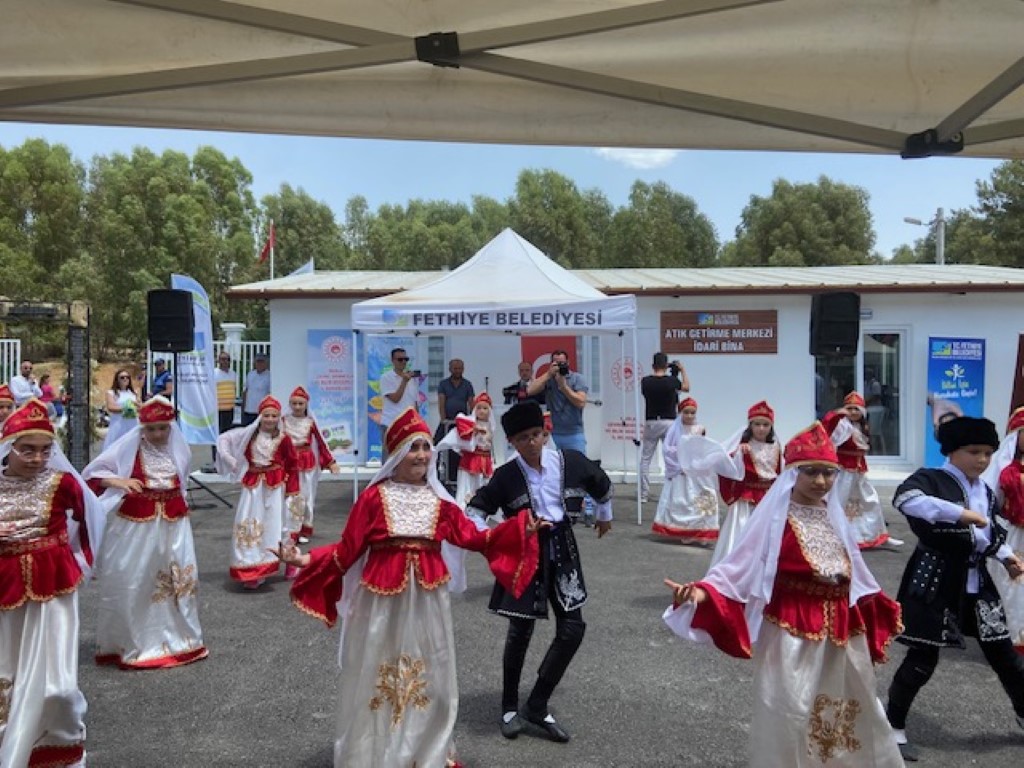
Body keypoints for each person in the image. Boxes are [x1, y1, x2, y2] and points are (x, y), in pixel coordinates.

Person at [276, 406, 541, 768]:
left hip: (428, 601)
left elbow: (474, 537)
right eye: (412, 448)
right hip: (381, 602)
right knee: (379, 670)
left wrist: (518, 530)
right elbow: (347, 550)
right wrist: (303, 560)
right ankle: (376, 752)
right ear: (397, 454)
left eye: (425, 447)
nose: (420, 455)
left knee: (428, 673)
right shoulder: (373, 499)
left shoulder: (440, 502)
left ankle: (423, 751)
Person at [663, 421, 905, 767]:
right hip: (791, 632)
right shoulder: (776, 518)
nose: (821, 482)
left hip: (841, 632)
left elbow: (857, 575)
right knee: (791, 711)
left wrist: (874, 610)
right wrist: (701, 593)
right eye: (811, 472)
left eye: (828, 473)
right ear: (792, 473)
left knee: (852, 706)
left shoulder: (832, 514)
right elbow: (739, 566)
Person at [466, 401, 614, 743]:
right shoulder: (505, 476)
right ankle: (507, 707)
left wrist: (604, 515)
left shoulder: (570, 461)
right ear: (512, 442)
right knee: (521, 631)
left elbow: (602, 484)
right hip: (525, 551)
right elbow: (475, 511)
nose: (531, 442)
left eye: (536, 434)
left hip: (562, 546)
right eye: (522, 438)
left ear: (546, 433)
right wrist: (503, 533)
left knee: (573, 628)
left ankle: (537, 702)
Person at [887, 416, 1024, 761]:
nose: (981, 459)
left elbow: (989, 532)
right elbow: (906, 500)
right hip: (935, 579)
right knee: (923, 657)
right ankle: (893, 727)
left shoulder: (986, 491)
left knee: (1004, 654)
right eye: (973, 451)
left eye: (988, 453)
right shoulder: (931, 478)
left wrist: (1007, 556)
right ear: (952, 451)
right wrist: (958, 513)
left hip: (977, 580)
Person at [0, 398, 104, 768]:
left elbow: (89, 519)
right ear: (7, 448)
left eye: (45, 450)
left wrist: (78, 562)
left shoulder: (63, 484)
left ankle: (57, 746)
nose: (37, 459)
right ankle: (11, 745)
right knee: (7, 674)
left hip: (55, 590)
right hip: (6, 592)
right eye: (27, 450)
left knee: (57, 686)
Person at [83, 396, 208, 670]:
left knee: (180, 581)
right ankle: (133, 642)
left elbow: (183, 484)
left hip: (174, 526)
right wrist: (119, 480)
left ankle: (182, 640)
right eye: (151, 429)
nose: (158, 434)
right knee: (135, 582)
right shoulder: (129, 448)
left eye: (163, 428)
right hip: (136, 528)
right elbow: (92, 474)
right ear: (142, 428)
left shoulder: (180, 450)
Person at [216, 395, 300, 588]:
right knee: (249, 524)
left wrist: (293, 491)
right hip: (253, 487)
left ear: (279, 417)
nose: (270, 419)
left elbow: (293, 464)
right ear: (260, 416)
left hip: (275, 487)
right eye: (266, 415)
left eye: (274, 416)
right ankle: (250, 568)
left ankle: (282, 561)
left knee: (274, 525)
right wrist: (231, 461)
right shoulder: (249, 434)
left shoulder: (284, 439)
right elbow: (223, 439)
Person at [822, 392, 898, 549]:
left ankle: (876, 536)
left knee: (870, 501)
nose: (853, 412)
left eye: (856, 409)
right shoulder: (842, 426)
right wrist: (835, 414)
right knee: (839, 502)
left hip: (858, 471)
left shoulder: (862, 427)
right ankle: (835, 537)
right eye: (849, 409)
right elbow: (826, 429)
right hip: (843, 472)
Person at [712, 400, 782, 567]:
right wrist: (737, 455)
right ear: (750, 425)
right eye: (757, 424)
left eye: (765, 424)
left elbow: (782, 473)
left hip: (769, 500)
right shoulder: (743, 447)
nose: (761, 428)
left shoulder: (777, 447)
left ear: (771, 427)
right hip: (747, 499)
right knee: (741, 534)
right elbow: (726, 467)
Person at [651, 397, 722, 544]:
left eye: (692, 413)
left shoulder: (700, 429)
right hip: (680, 471)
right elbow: (667, 450)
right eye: (686, 412)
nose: (689, 416)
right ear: (680, 412)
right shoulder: (673, 430)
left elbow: (702, 448)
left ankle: (701, 531)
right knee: (681, 501)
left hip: (696, 470)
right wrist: (681, 461)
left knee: (703, 498)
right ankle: (682, 530)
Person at [983, 405, 1024, 653]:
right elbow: (990, 499)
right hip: (1014, 533)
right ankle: (1011, 633)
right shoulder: (1004, 468)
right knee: (1013, 584)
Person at [282, 386, 340, 544]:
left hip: (306, 463)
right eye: (294, 403)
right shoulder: (283, 421)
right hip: (289, 463)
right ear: (290, 404)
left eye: (301, 404)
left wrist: (330, 462)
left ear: (306, 404)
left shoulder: (310, 422)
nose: (297, 407)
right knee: (289, 497)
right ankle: (289, 530)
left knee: (306, 497)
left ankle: (303, 529)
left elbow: (321, 443)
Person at [639, 352, 689, 502]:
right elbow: (686, 387)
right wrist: (682, 370)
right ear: (666, 365)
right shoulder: (672, 381)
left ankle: (643, 494)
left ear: (653, 365)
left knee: (646, 459)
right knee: (671, 456)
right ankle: (672, 490)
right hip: (669, 421)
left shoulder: (645, 381)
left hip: (651, 421)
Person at [437, 392, 499, 510]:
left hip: (485, 462)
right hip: (470, 461)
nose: (481, 411)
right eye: (479, 408)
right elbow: (460, 419)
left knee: (482, 488)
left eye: (485, 408)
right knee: (466, 488)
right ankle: (462, 512)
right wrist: (474, 429)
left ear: (490, 411)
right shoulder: (470, 423)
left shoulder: (491, 427)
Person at [526, 350, 589, 454]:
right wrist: (548, 374)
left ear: (568, 362)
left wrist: (563, 387)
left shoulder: (577, 378)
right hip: (553, 433)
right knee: (553, 467)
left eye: (562, 363)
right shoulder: (548, 379)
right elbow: (530, 390)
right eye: (556, 363)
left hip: (574, 433)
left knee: (577, 466)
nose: (560, 366)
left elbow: (581, 402)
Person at [380, 347, 421, 433]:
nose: (404, 362)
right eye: (400, 359)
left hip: (409, 423)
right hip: (391, 422)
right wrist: (404, 381)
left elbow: (415, 402)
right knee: (391, 446)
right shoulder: (386, 377)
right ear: (393, 360)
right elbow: (395, 399)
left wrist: (418, 420)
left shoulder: (411, 378)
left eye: (406, 359)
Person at [103, 367, 141, 449]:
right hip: (118, 425)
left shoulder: (134, 393)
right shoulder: (111, 393)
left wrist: (136, 405)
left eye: (127, 377)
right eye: (122, 377)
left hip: (132, 424)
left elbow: (140, 407)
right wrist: (128, 407)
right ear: (117, 379)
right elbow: (111, 407)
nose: (125, 379)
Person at [213, 350, 236, 462]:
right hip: (218, 410)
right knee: (217, 435)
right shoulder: (214, 373)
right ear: (218, 361)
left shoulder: (233, 374)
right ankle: (216, 459)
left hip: (229, 409)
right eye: (222, 359)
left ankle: (226, 457)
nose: (224, 361)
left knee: (227, 435)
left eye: (227, 359)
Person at [437, 358, 474, 425]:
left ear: (463, 369)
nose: (458, 371)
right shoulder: (443, 384)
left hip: (463, 420)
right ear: (450, 369)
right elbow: (441, 404)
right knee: (438, 436)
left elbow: (471, 404)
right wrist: (443, 419)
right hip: (447, 421)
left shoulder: (468, 384)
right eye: (455, 368)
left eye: (460, 368)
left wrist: (472, 419)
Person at [240, 352, 270, 427]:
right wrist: (243, 408)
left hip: (261, 411)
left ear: (266, 363)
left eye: (262, 361)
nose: (259, 364)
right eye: (258, 361)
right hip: (248, 411)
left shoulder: (270, 376)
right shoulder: (250, 374)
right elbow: (245, 391)